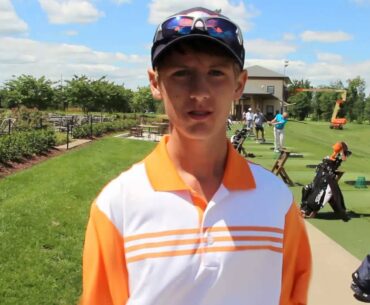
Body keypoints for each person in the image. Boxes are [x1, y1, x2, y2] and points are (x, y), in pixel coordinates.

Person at [79, 7, 311, 305]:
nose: (199, 91)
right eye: (181, 73)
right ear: (155, 83)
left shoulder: (276, 201)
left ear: (239, 84)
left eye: (216, 73)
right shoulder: (116, 205)